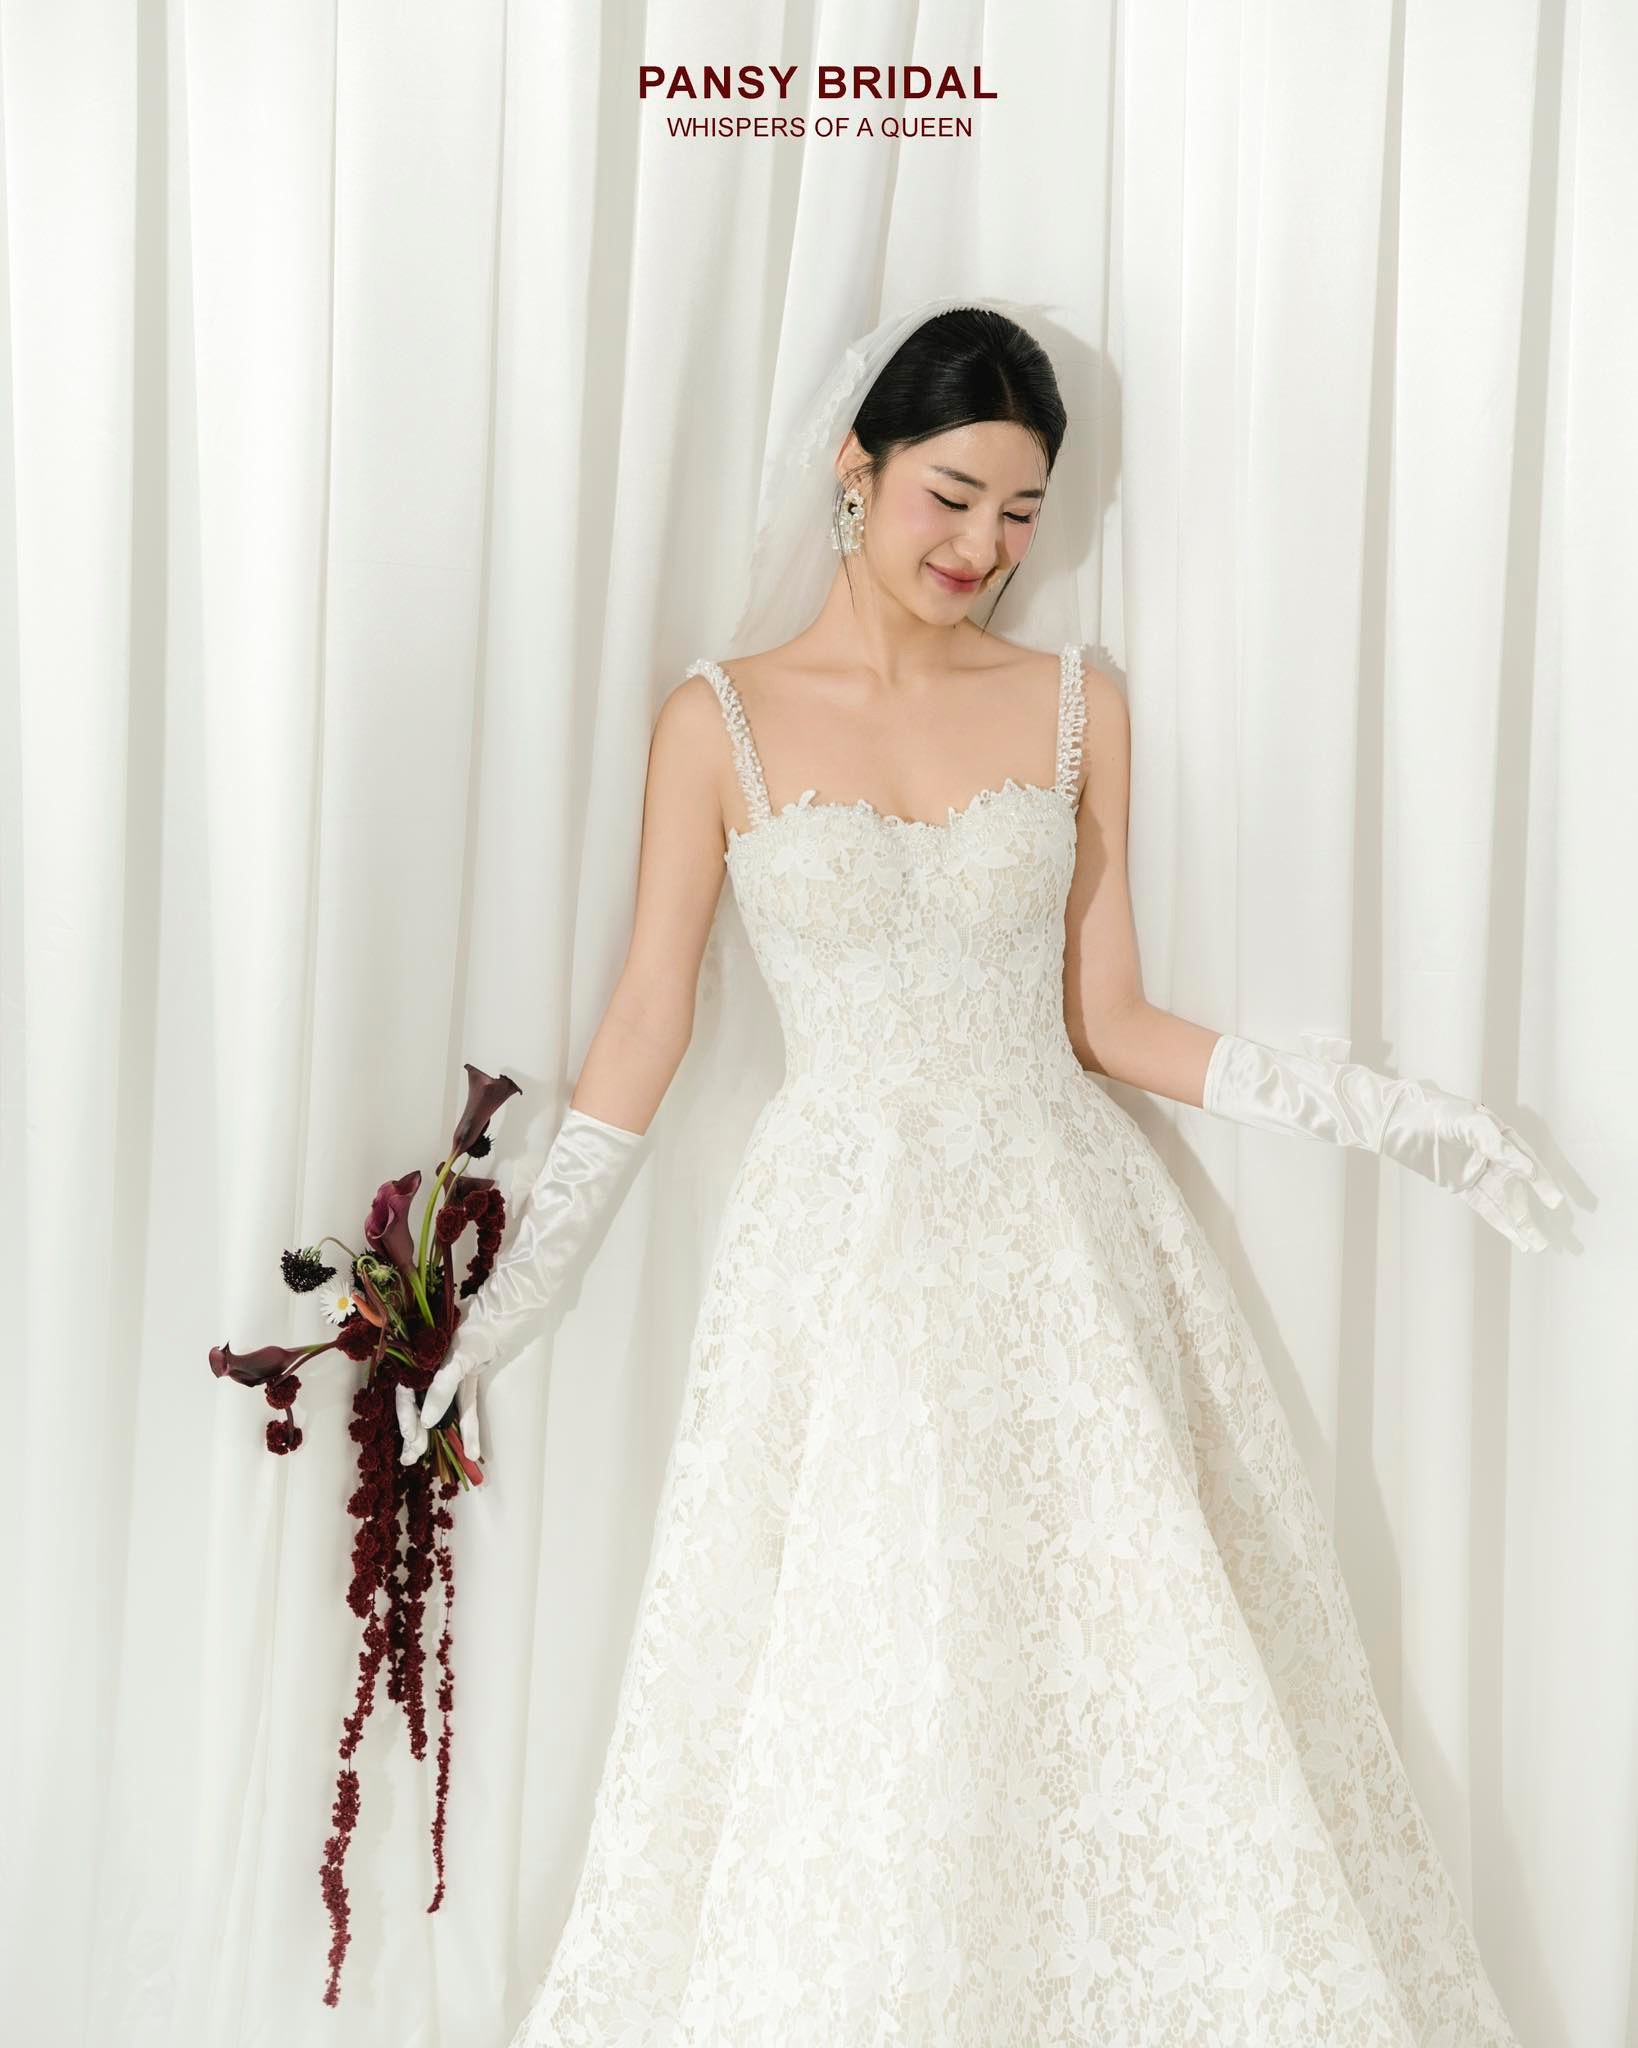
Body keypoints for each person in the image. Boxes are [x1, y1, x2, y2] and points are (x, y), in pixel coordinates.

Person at [401, 295, 1563, 2044]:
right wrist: (509, 1307)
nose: (982, 546)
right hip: (840, 1250)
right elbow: (646, 1025)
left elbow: (1111, 1020)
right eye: (951, 496)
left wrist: (1396, 1120)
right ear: (854, 468)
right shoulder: (716, 721)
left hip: (1056, 1239)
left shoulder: (1075, 705)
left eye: (1020, 512)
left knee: (1111, 1660)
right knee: (873, 1659)